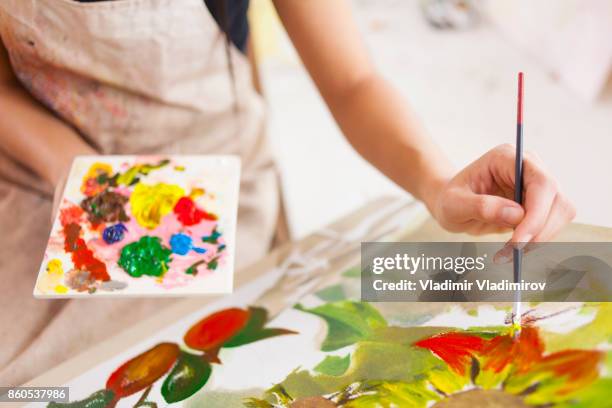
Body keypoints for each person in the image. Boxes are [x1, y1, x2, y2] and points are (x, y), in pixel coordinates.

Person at [0, 0, 574, 386]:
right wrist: (65, 162)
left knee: (218, 364)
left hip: (203, 189)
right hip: (36, 153)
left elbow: (353, 82)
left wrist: (436, 182)